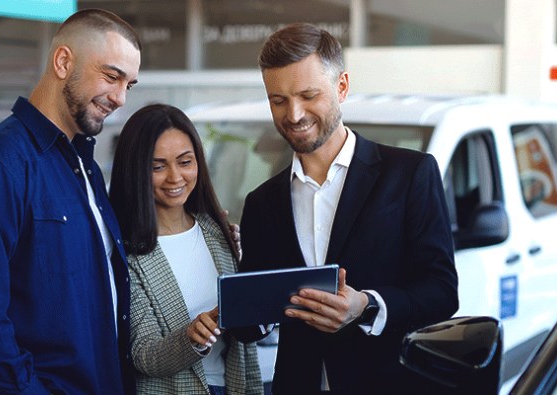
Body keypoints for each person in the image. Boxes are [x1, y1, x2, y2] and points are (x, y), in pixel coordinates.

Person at [238, 23, 459, 394]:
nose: (293, 115)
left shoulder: (410, 174)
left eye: (308, 95)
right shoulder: (261, 203)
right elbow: (250, 322)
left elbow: (441, 291)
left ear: (341, 86)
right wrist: (244, 311)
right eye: (278, 100)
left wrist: (366, 305)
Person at [0, 9, 141, 395]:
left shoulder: (86, 167)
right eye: (112, 76)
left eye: (129, 84)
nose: (119, 98)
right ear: (63, 62)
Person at [108, 104, 264, 395]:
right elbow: (142, 353)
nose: (175, 177)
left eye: (185, 162)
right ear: (135, 170)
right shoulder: (125, 252)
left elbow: (244, 347)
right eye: (158, 166)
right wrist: (191, 338)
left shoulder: (218, 232)